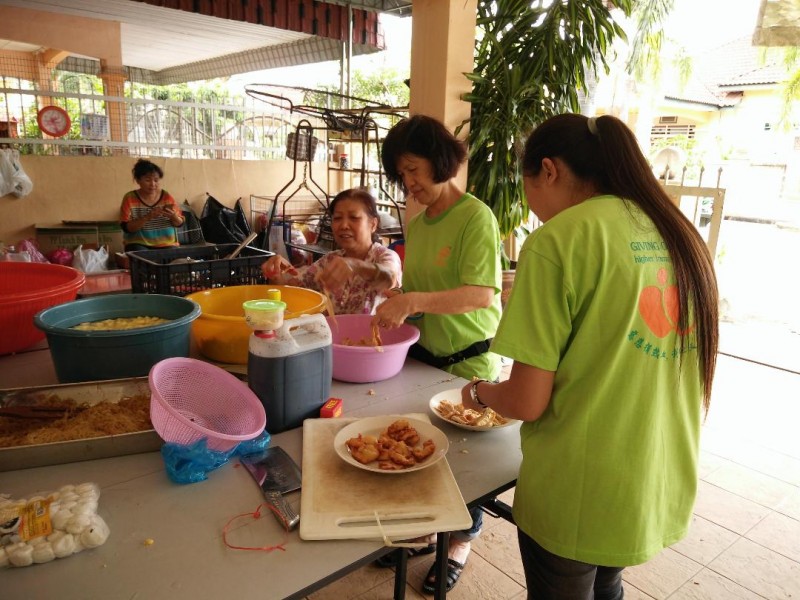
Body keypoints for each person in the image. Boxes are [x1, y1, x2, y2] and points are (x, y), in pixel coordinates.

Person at [458, 113, 719, 599]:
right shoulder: (676, 231)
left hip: (577, 486)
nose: (532, 208)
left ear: (549, 170)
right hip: (651, 477)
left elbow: (527, 400)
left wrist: (478, 393)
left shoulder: (557, 241)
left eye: (527, 187)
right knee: (608, 585)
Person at [372, 114, 503, 594]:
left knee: (465, 467)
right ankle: (429, 532)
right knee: (425, 454)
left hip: (469, 363)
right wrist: (396, 302)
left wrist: (412, 302)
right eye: (401, 174)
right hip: (424, 359)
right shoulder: (418, 223)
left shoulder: (475, 217)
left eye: (413, 169)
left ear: (440, 160)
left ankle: (460, 542)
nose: (408, 183)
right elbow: (422, 293)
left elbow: (480, 295)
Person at [261, 188, 401, 315]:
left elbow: (390, 277)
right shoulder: (330, 260)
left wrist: (356, 266)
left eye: (354, 218)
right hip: (331, 335)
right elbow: (295, 288)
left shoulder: (385, 256)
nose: (344, 225)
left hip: (370, 335)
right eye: (337, 218)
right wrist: (277, 274)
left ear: (373, 224)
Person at [120, 159, 183, 252]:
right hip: (138, 243)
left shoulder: (166, 197)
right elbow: (126, 228)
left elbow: (180, 223)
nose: (153, 184)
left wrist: (173, 217)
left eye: (156, 180)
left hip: (167, 244)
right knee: (140, 254)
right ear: (138, 180)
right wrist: (147, 217)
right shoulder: (129, 198)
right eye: (147, 180)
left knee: (175, 255)